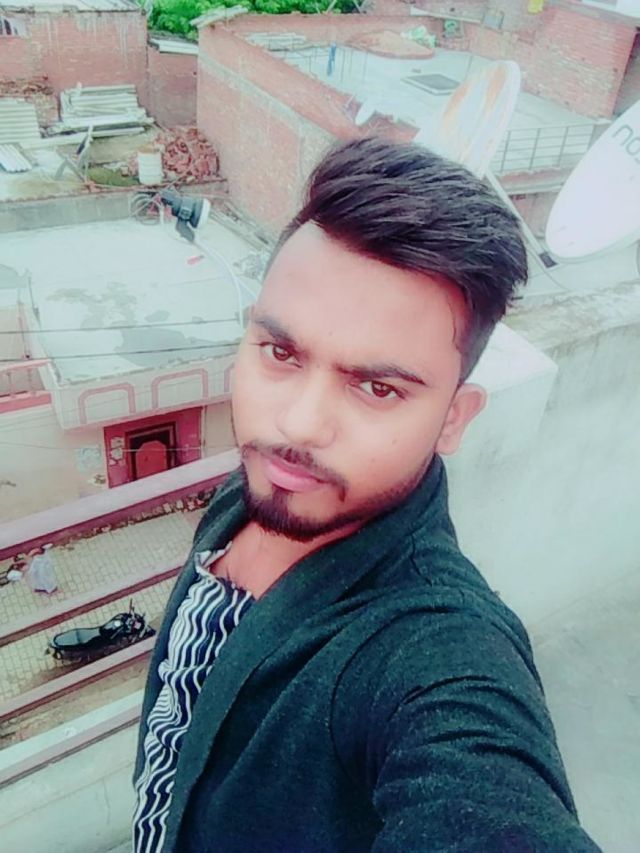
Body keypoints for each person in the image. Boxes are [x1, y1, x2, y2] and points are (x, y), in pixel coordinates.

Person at [133, 137, 599, 852]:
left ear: (454, 418)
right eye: (281, 353)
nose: (298, 424)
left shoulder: (435, 655)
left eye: (377, 388)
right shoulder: (259, 491)